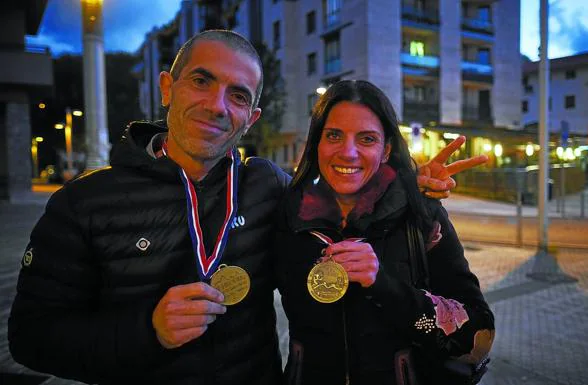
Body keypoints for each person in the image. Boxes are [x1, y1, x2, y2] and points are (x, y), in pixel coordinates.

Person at [8, 30, 484, 384]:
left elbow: (347, 194)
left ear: (251, 116)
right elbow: (30, 338)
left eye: (237, 95)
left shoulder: (268, 188)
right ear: (167, 87)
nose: (217, 105)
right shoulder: (83, 202)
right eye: (201, 81)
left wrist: (409, 189)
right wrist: (146, 331)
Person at [274, 80, 495, 385]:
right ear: (317, 143)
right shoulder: (288, 216)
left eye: (366, 139)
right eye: (334, 135)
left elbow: (479, 335)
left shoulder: (421, 217)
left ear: (386, 149)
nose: (348, 152)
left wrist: (383, 285)